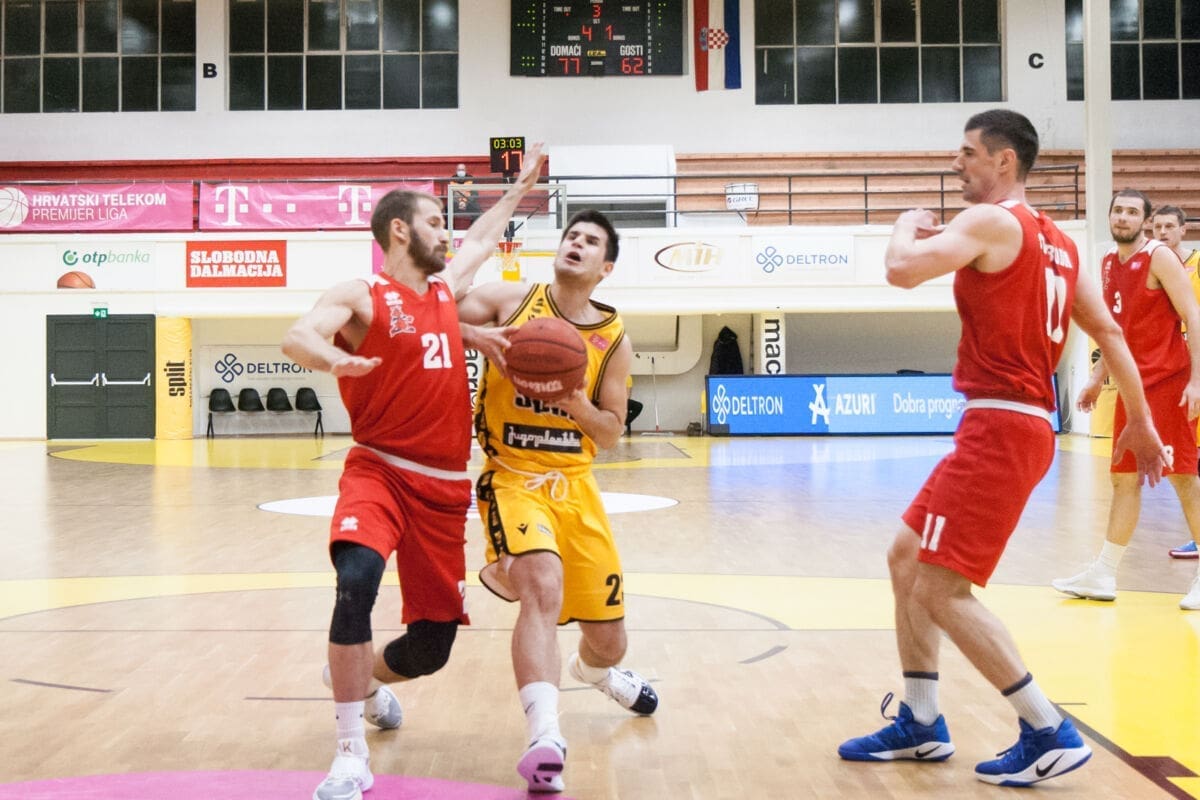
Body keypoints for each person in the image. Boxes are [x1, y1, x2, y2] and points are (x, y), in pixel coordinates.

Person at [836, 110, 1170, 787]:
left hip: (1000, 426)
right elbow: (1108, 332)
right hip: (1019, 424)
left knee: (940, 586)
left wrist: (905, 222)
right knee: (906, 556)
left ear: (1004, 161)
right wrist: (1141, 421)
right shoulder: (1060, 243)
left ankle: (1047, 727)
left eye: (968, 153)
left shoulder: (992, 221)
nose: (956, 163)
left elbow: (901, 270)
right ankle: (921, 721)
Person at [282, 144, 545, 800]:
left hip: (443, 489)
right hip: (378, 469)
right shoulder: (363, 293)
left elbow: (483, 240)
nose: (446, 233)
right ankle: (349, 753)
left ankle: (362, 679)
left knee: (431, 647)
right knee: (356, 581)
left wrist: (518, 189)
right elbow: (299, 335)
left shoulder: (445, 294)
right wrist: (334, 360)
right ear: (399, 230)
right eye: (434, 222)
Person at [452, 209, 658, 794]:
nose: (576, 243)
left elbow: (610, 432)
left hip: (577, 487)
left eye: (590, 241)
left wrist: (572, 401)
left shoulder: (613, 339)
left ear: (605, 267)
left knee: (609, 643)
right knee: (542, 583)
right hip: (513, 477)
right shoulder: (510, 301)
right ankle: (545, 735)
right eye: (571, 235)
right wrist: (475, 334)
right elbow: (432, 317)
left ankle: (595, 673)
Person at [1053, 191, 1200, 607]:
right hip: (1134, 389)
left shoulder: (1159, 257)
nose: (1123, 217)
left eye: (1133, 212)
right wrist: (1097, 377)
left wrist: (1196, 381)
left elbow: (1193, 316)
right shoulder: (1107, 263)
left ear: (1145, 221)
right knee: (1123, 479)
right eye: (1117, 210)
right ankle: (1103, 574)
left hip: (1170, 383)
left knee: (1183, 478)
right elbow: (1116, 331)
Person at [1151, 205, 1200, 558]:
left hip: (1195, 366)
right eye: (1157, 227)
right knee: (1187, 455)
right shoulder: (1152, 266)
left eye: (1170, 226)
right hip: (1173, 370)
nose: (1163, 232)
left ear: (1184, 230)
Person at [449, 162, 480, 228]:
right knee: (447, 209)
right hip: (456, 204)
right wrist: (459, 202)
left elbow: (475, 194)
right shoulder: (452, 179)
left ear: (465, 170)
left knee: (477, 210)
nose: (461, 171)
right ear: (456, 171)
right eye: (459, 170)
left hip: (469, 203)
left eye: (462, 170)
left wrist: (465, 202)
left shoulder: (471, 179)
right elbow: (450, 195)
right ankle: (449, 230)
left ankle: (474, 229)